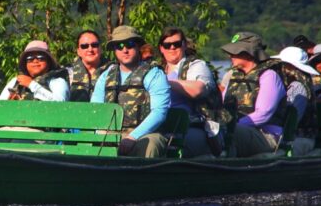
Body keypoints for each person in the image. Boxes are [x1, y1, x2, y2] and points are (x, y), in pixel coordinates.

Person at [90, 25, 171, 157]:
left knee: (150, 145)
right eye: (119, 46)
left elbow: (159, 112)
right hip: (111, 133)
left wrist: (132, 137)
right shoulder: (106, 75)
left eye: (130, 44)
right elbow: (96, 109)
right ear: (114, 50)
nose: (125, 50)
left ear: (138, 46)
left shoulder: (154, 74)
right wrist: (100, 132)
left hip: (146, 134)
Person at [221, 31, 289, 157]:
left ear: (249, 53)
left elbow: (263, 114)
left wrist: (231, 127)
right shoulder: (234, 75)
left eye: (235, 52)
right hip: (238, 129)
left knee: (230, 133)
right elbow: (221, 103)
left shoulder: (269, 75)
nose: (231, 55)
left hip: (266, 135)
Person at [157, 27, 222, 157]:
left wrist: (164, 83)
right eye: (167, 45)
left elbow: (198, 90)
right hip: (161, 126)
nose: (172, 48)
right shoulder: (157, 70)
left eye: (177, 44)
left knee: (165, 145)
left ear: (184, 45)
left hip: (192, 127)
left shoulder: (196, 66)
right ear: (161, 48)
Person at [271, 45, 318, 155]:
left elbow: (292, 119)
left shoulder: (298, 86)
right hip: (291, 134)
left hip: (300, 137)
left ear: (289, 66)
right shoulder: (292, 82)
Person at [0, 40, 70, 102]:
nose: (35, 61)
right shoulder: (15, 82)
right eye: (30, 59)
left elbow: (60, 105)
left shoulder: (57, 82)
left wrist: (31, 85)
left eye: (41, 58)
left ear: (49, 62)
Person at [66, 29, 113, 102]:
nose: (90, 49)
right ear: (78, 51)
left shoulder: (112, 71)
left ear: (100, 49)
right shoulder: (67, 73)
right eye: (84, 46)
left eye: (94, 45)